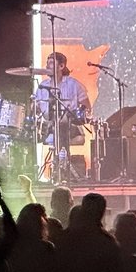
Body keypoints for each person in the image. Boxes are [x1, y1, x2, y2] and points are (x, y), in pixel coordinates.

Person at [33, 52, 91, 182]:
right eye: (47, 62)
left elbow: (87, 107)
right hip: (48, 126)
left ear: (61, 66)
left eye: (51, 63)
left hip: (71, 126)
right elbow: (36, 110)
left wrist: (77, 115)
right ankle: (51, 171)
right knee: (32, 130)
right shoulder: (42, 87)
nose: (47, 65)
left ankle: (61, 170)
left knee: (62, 125)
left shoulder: (73, 84)